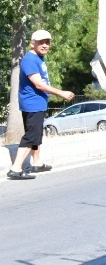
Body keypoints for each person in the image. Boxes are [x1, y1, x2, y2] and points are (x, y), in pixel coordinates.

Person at [9, 30, 73, 181]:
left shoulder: (38, 58)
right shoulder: (30, 60)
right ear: (33, 43)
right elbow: (38, 84)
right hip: (33, 104)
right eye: (41, 42)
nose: (45, 45)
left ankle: (37, 163)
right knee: (31, 136)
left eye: (47, 42)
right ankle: (15, 169)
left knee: (36, 134)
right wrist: (61, 93)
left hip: (37, 103)